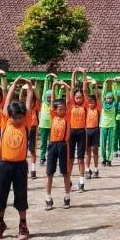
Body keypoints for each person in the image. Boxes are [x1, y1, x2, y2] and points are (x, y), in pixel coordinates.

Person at [0, 77, 35, 240]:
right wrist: (15, 84)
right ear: (9, 116)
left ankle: (23, 225)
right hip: (4, 165)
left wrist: (30, 87)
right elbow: (7, 100)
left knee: (21, 196)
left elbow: (29, 104)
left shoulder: (26, 124)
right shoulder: (5, 121)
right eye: (14, 117)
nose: (17, 120)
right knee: (1, 196)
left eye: (20, 117)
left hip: (20, 166)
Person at [45, 81, 73, 210]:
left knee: (65, 172)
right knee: (49, 173)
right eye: (60, 109)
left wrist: (66, 87)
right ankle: (48, 197)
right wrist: (54, 85)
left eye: (64, 109)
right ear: (55, 110)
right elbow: (52, 101)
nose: (62, 111)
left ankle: (67, 196)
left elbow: (68, 101)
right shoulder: (53, 116)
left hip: (63, 145)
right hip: (52, 145)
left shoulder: (67, 117)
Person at [69, 69, 88, 192]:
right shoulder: (71, 104)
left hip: (81, 132)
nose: (79, 99)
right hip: (71, 132)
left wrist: (84, 74)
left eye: (80, 98)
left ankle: (81, 181)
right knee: (70, 158)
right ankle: (68, 180)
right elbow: (72, 88)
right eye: (77, 98)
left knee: (80, 158)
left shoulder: (85, 105)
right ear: (74, 98)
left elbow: (85, 89)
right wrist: (74, 73)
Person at [37, 74, 56, 166]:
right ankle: (42, 158)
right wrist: (46, 78)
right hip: (43, 126)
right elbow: (45, 90)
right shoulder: (43, 103)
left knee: (52, 143)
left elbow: (55, 92)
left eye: (50, 97)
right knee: (43, 143)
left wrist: (55, 81)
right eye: (47, 97)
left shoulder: (54, 104)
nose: (49, 98)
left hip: (52, 126)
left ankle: (51, 157)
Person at [85, 79, 101, 179]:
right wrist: (86, 83)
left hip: (95, 130)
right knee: (88, 152)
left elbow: (97, 97)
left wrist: (95, 86)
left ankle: (96, 169)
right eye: (89, 102)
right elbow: (85, 94)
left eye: (92, 102)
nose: (91, 104)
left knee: (95, 150)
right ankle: (87, 169)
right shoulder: (86, 108)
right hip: (87, 130)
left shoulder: (97, 108)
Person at [99, 79, 116, 167]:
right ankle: (103, 159)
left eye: (110, 98)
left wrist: (113, 84)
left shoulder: (114, 104)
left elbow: (115, 93)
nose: (109, 99)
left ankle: (109, 159)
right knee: (102, 144)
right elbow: (103, 93)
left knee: (111, 144)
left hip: (112, 125)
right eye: (107, 98)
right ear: (105, 98)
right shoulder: (103, 103)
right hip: (103, 125)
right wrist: (105, 83)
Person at [26, 78, 41, 180]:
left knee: (32, 150)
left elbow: (38, 98)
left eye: (32, 100)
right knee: (23, 149)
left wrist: (33, 88)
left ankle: (33, 170)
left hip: (33, 128)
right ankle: (24, 168)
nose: (30, 102)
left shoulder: (36, 107)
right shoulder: (24, 106)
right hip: (25, 128)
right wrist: (28, 86)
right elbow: (24, 96)